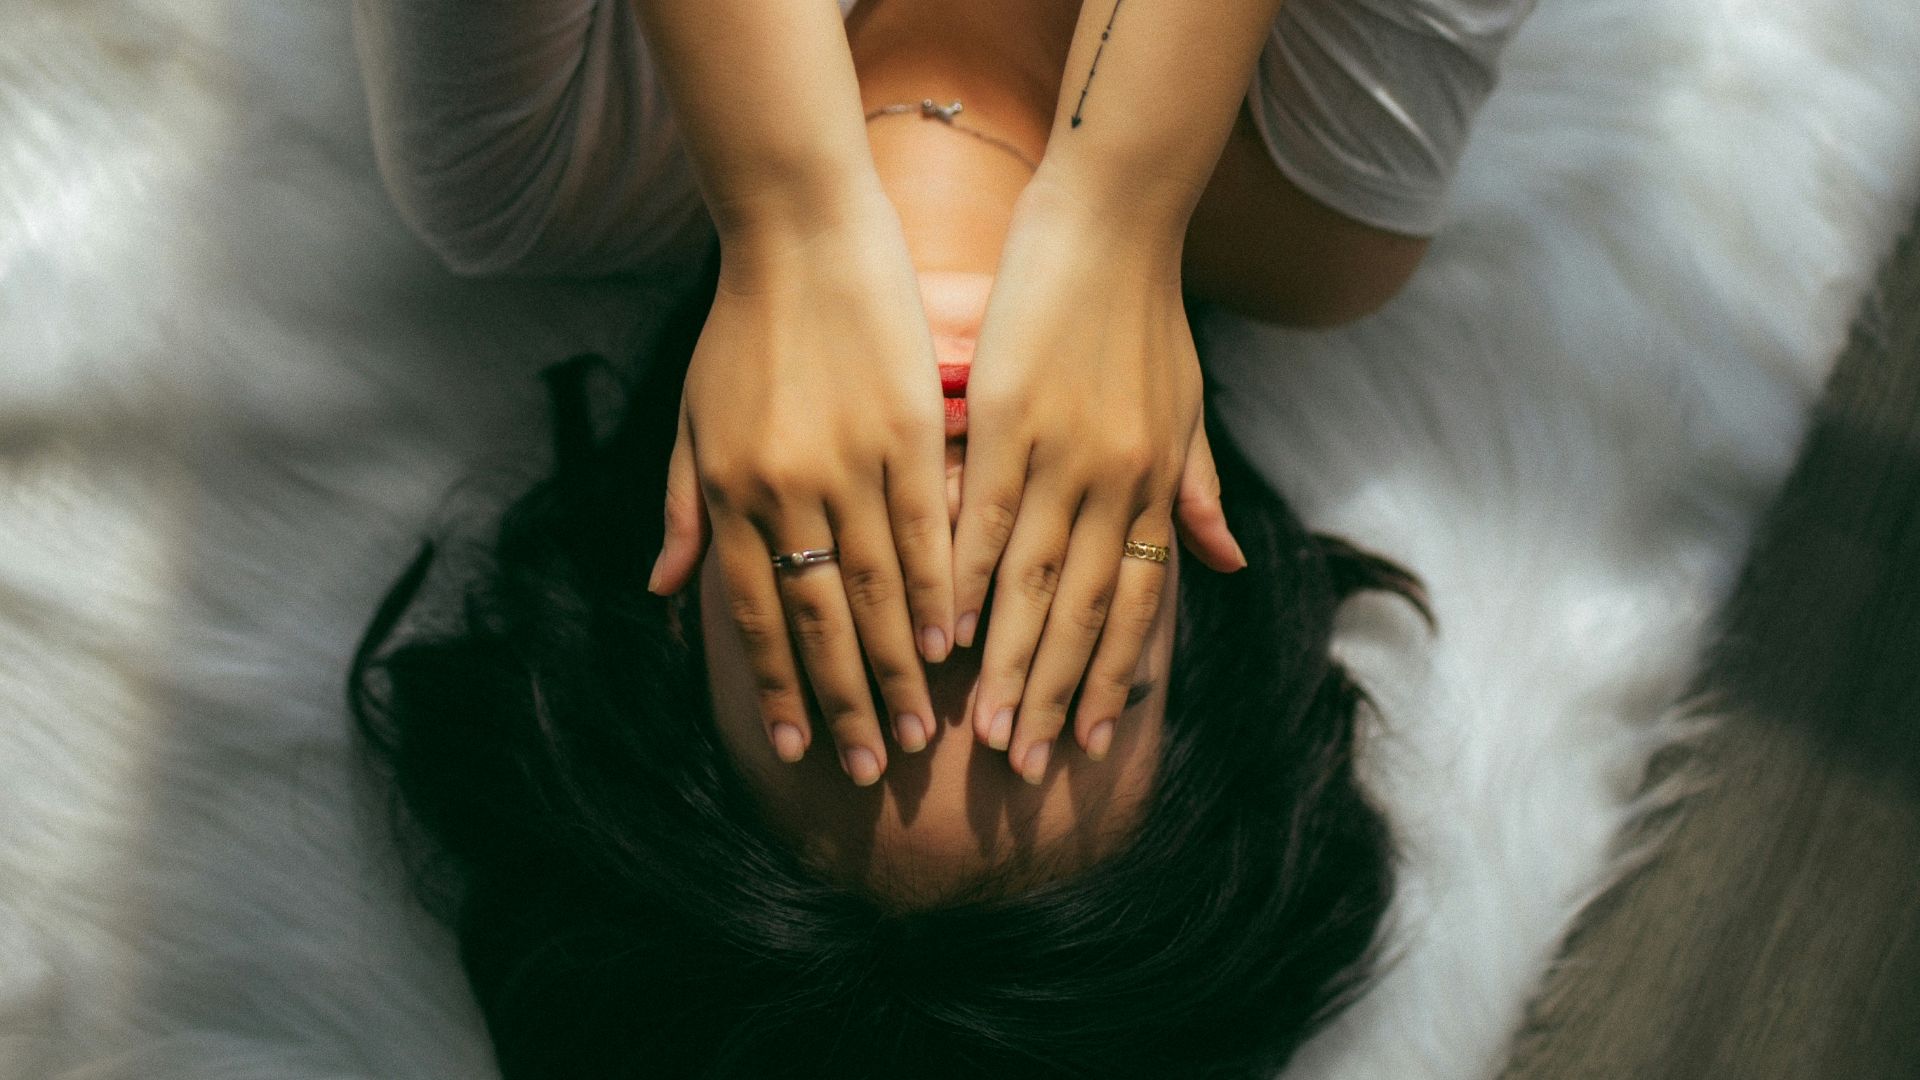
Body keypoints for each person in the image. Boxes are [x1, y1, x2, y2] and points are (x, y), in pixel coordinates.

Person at [352, 0, 1529, 791]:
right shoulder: (1328, 197)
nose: (947, 559)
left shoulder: (532, 153)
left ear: (684, 582)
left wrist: (791, 206)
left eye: (846, 654)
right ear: (1191, 577)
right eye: (1053, 650)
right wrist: (1123, 196)